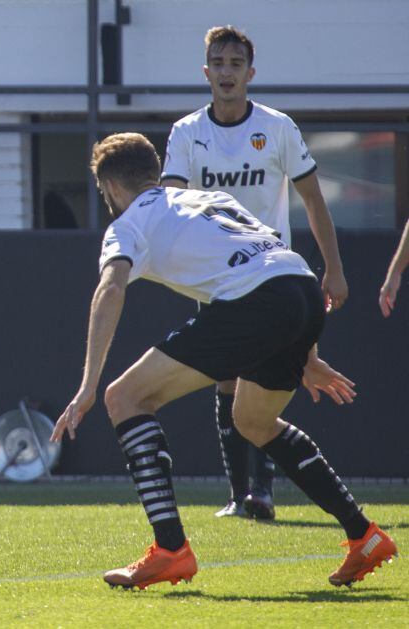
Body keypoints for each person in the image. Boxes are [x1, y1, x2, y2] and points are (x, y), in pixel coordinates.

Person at [50, 132, 397, 590]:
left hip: (257, 303)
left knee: (124, 398)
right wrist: (303, 347)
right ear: (154, 174)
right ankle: (364, 535)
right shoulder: (207, 197)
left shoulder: (127, 224)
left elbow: (110, 289)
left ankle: (170, 549)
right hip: (301, 290)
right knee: (253, 421)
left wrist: (87, 386)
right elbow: (272, 253)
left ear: (111, 189)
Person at [160, 25, 349, 521]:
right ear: (206, 72)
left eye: (235, 64)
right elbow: (172, 204)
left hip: (271, 275)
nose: (227, 73)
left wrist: (333, 267)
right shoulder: (186, 133)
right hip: (217, 277)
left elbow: (312, 198)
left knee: (260, 380)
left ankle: (261, 493)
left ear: (250, 73)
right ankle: (239, 493)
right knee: (225, 379)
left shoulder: (277, 127)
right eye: (218, 64)